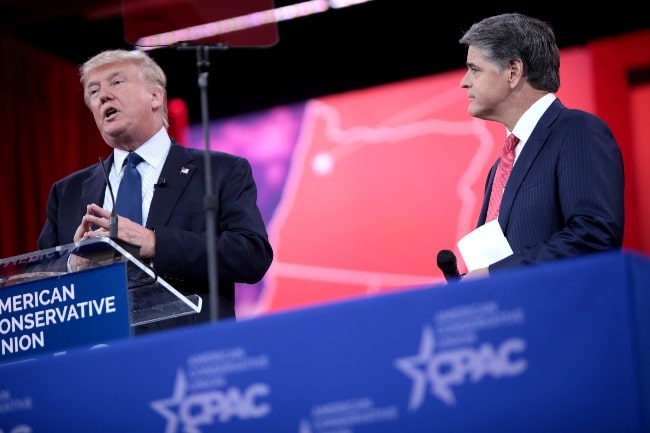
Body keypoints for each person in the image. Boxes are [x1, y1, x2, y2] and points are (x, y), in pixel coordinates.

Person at [37, 49, 273, 331]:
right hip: (100, 359)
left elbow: (251, 255)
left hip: (191, 352)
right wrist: (73, 264)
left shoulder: (220, 171)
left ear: (155, 96)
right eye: (93, 91)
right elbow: (39, 283)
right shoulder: (68, 193)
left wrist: (155, 243)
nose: (103, 96)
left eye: (117, 82)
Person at [457, 13, 625, 279]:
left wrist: (494, 275)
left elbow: (594, 235)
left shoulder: (576, 130)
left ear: (513, 71)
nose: (464, 81)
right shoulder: (499, 167)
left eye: (474, 69)